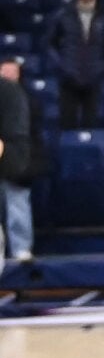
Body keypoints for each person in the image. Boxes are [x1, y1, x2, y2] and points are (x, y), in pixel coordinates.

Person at [43, 0, 104, 131]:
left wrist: (102, 67)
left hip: (94, 78)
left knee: (91, 124)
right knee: (67, 124)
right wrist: (62, 65)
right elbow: (50, 43)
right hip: (68, 77)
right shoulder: (63, 15)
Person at [0, 56, 37, 267]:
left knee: (17, 199)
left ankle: (21, 248)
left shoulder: (16, 96)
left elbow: (20, 150)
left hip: (15, 162)